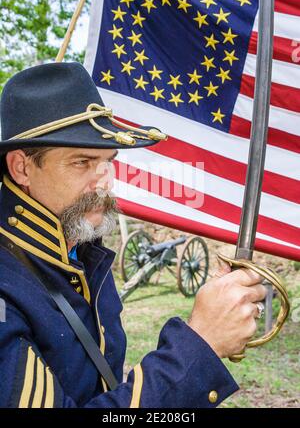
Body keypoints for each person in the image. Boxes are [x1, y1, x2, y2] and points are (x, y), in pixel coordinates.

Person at [0, 62, 266, 408]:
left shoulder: (79, 247)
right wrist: (201, 343)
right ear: (22, 167)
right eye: (81, 162)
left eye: (107, 160)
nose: (105, 182)